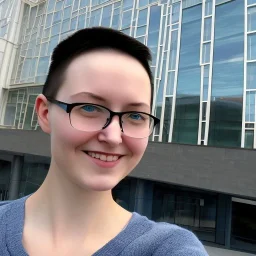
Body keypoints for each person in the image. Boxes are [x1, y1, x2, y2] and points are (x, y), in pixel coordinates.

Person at [0, 27, 208, 256]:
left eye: (135, 116)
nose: (113, 136)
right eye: (89, 108)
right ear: (45, 113)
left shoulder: (169, 248)